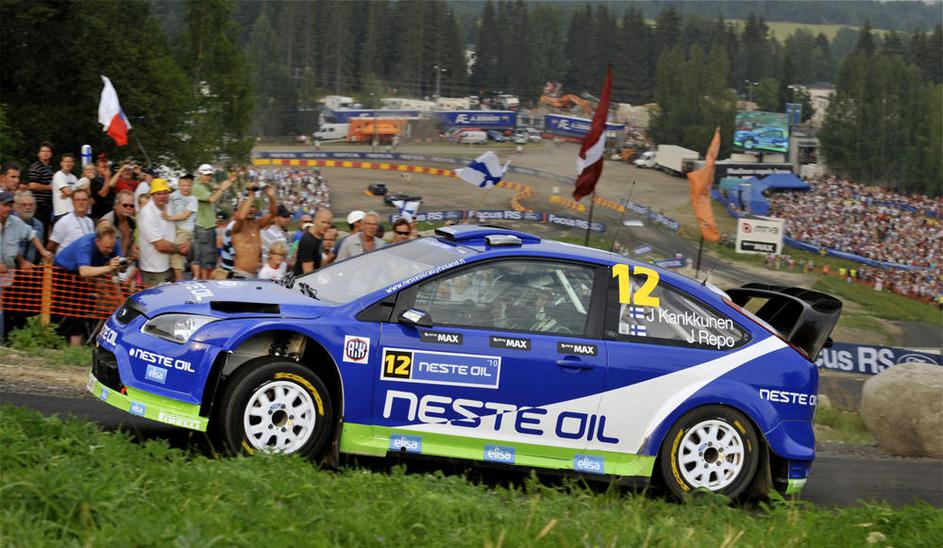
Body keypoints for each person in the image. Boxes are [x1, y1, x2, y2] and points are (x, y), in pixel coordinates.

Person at [137, 178, 189, 286]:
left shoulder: (168, 203)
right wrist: (180, 249)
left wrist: (187, 241)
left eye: (165, 193)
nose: (163, 196)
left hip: (170, 265)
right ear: (152, 194)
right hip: (155, 270)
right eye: (158, 193)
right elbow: (160, 246)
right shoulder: (147, 214)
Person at [192, 164, 233, 279]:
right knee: (205, 259)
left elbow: (217, 186)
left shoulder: (205, 184)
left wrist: (229, 181)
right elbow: (212, 198)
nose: (208, 177)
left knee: (206, 258)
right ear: (200, 174)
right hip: (204, 227)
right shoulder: (197, 187)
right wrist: (222, 188)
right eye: (206, 175)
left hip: (207, 226)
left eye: (210, 175)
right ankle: (202, 281)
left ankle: (202, 280)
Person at [230, 185, 278, 278]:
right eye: (248, 207)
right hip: (240, 275)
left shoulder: (257, 224)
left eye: (253, 207)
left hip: (254, 275)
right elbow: (241, 217)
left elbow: (273, 214)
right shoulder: (237, 227)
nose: (251, 209)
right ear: (240, 209)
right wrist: (251, 195)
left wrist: (271, 197)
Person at [165, 174, 198, 281]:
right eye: (183, 185)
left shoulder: (193, 199)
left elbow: (185, 215)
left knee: (175, 251)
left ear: (192, 186)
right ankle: (173, 278)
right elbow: (165, 198)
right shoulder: (174, 195)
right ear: (179, 186)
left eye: (188, 185)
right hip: (174, 228)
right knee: (170, 251)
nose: (186, 188)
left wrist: (169, 217)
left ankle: (180, 280)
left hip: (185, 230)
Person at [47, 188, 94, 254]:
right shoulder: (64, 222)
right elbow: (51, 246)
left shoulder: (90, 222)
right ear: (72, 202)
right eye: (77, 200)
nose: (81, 202)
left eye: (84, 200)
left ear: (88, 202)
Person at [293, 207, 332, 275]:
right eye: (323, 222)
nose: (326, 225)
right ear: (315, 221)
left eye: (328, 223)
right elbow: (307, 272)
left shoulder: (320, 236)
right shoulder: (308, 241)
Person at [26, 142, 55, 231]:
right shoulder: (36, 167)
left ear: (51, 154)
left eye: (48, 151)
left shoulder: (50, 168)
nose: (45, 153)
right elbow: (32, 185)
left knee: (46, 230)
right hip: (39, 205)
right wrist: (49, 187)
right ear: (38, 154)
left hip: (48, 205)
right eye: (43, 151)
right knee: (38, 230)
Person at [13, 191, 47, 264]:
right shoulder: (12, 223)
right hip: (13, 265)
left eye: (31, 205)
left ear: (35, 207)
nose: (28, 207)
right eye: (24, 205)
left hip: (32, 267)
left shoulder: (39, 225)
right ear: (18, 207)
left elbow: (40, 246)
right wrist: (23, 262)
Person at [100, 190, 136, 258]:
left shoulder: (133, 221)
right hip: (109, 262)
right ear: (116, 205)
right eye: (125, 205)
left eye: (131, 206)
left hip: (126, 261)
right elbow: (101, 251)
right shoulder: (106, 223)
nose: (128, 208)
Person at [52, 153, 86, 221]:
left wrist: (69, 193)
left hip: (73, 211)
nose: (68, 164)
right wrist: (71, 192)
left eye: (70, 162)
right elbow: (68, 192)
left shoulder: (74, 177)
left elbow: (77, 192)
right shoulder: (58, 175)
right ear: (61, 163)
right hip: (62, 212)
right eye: (66, 162)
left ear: (73, 164)